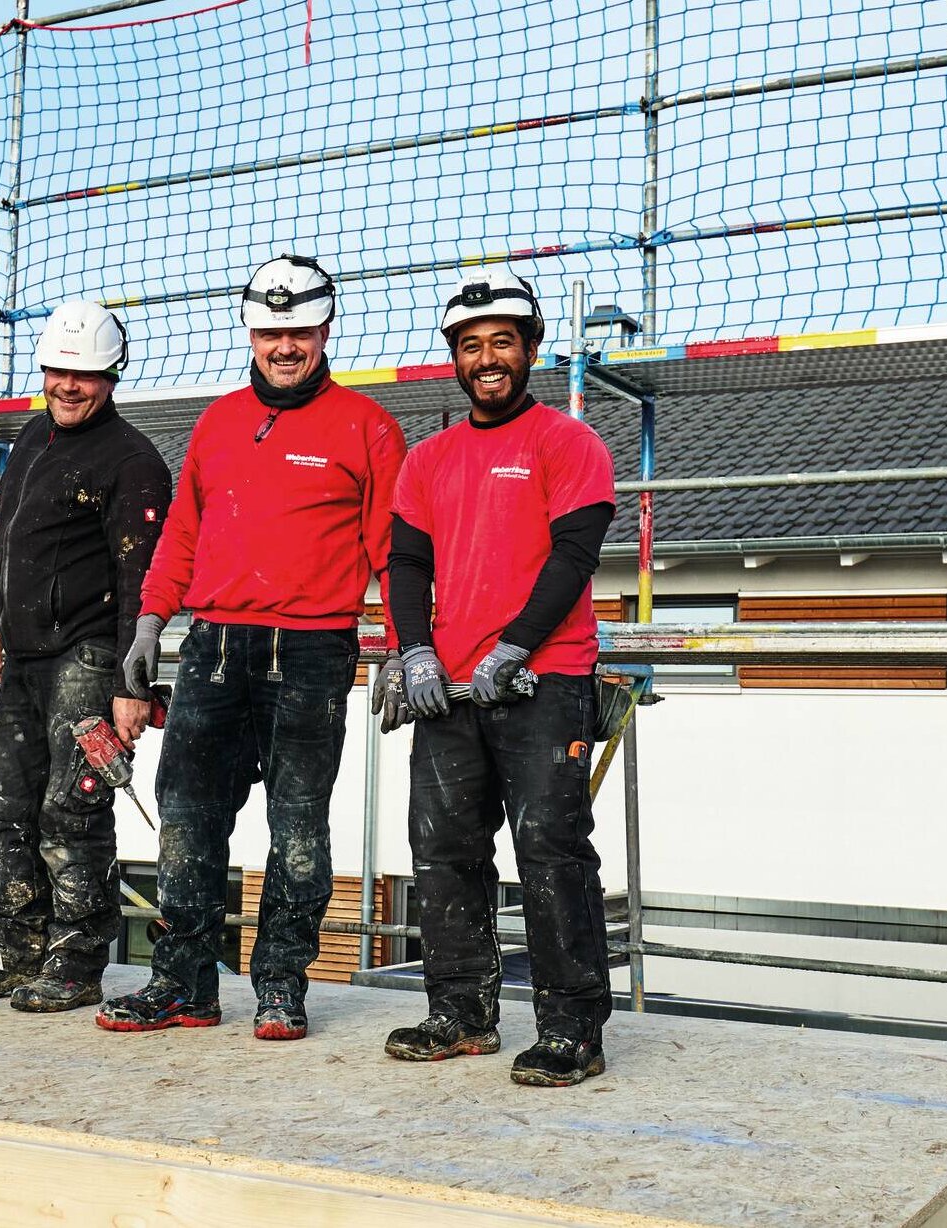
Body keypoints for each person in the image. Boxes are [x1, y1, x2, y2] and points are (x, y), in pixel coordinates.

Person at [98, 255, 406, 1040]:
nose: (284, 346)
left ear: (325, 330)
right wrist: (148, 623)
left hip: (311, 653)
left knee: (298, 831)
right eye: (270, 331)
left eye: (298, 331)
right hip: (214, 649)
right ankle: (184, 985)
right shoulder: (219, 420)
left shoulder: (367, 427)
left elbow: (391, 553)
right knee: (187, 821)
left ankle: (278, 984)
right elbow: (182, 534)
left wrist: (406, 649)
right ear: (249, 331)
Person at [378, 267, 616, 1085]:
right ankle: (460, 1012)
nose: (486, 359)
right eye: (471, 345)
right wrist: (413, 652)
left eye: (502, 344)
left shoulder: (566, 442)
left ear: (529, 350)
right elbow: (405, 564)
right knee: (443, 848)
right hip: (447, 687)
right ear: (454, 357)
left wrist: (513, 648)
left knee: (550, 850)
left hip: (541, 680)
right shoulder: (428, 458)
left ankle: (572, 1029)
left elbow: (573, 555)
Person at [0, 302, 172, 1012]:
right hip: (24, 655)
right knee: (6, 809)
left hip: (89, 654)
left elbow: (142, 582)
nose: (69, 386)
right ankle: (12, 953)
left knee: (71, 811)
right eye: (58, 372)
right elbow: (11, 543)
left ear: (111, 376)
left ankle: (73, 964)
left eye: (86, 375)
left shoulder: (131, 461)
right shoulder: (32, 438)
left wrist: (132, 683)